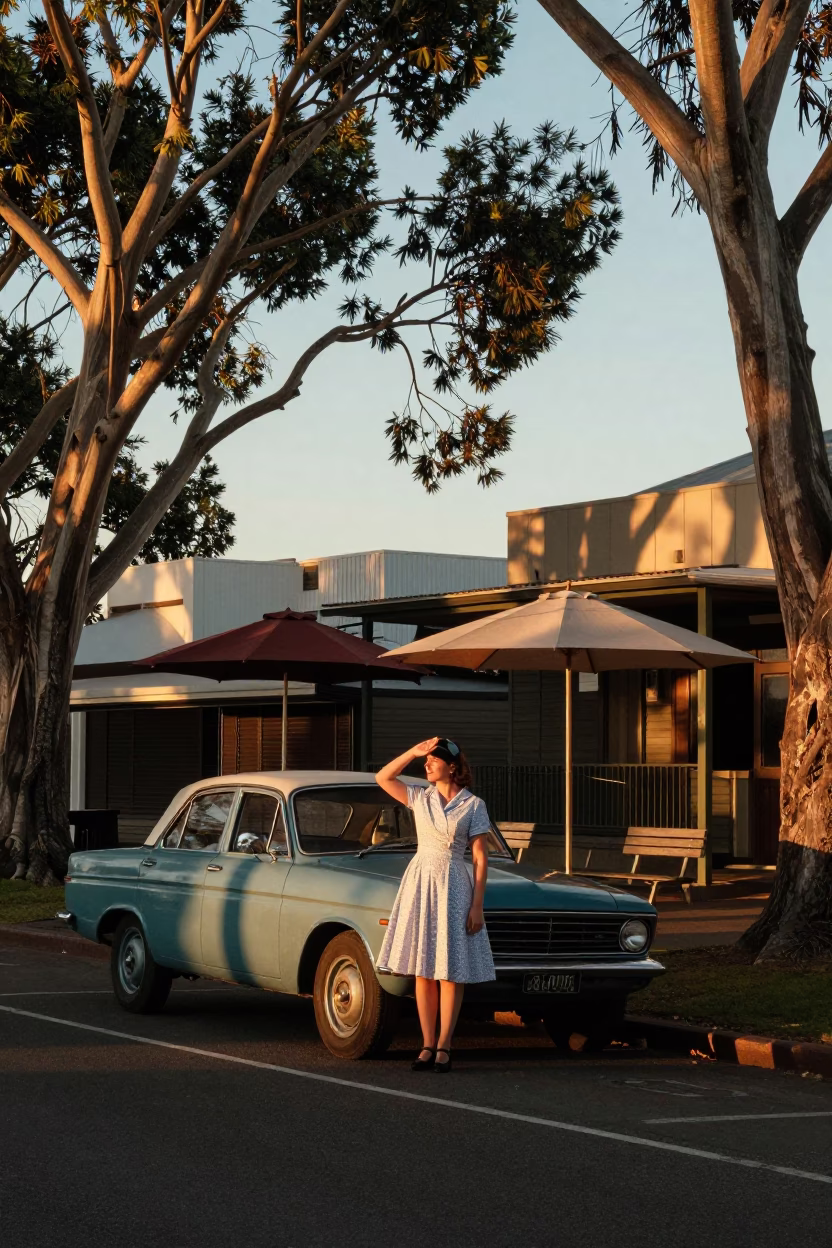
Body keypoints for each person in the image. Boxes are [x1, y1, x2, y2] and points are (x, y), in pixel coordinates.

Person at [376, 736, 495, 1073]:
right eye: (424, 761)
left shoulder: (473, 805)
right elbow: (383, 778)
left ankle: (444, 1045)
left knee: (450, 969)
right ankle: (426, 1045)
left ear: (452, 766)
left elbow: (480, 858)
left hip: (455, 882)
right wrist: (412, 751)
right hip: (421, 880)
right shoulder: (419, 796)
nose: (426, 765)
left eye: (432, 760)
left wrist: (477, 905)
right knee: (424, 967)